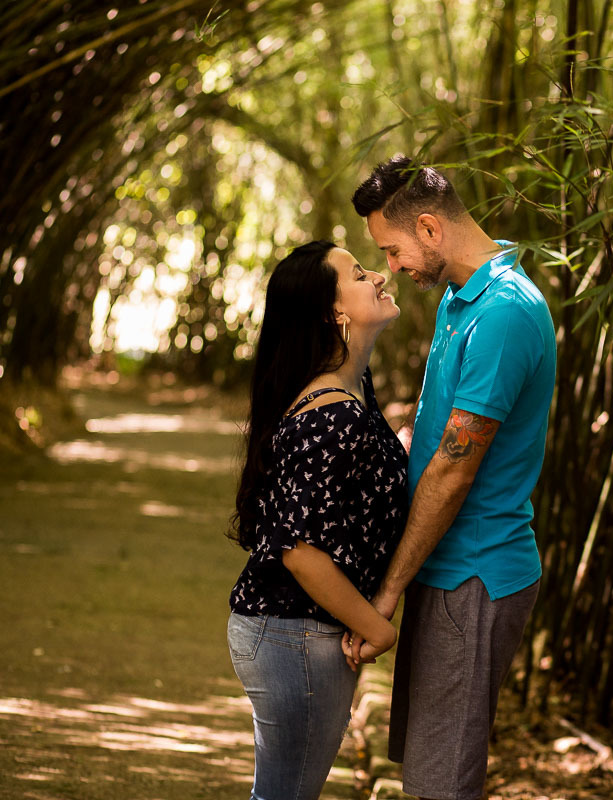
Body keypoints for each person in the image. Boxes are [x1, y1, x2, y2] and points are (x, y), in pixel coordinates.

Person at [347, 157, 557, 799]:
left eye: (392, 249)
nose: (391, 268)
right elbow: (446, 439)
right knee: (426, 772)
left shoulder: (504, 314)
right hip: (445, 568)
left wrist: (385, 594)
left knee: (440, 785)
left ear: (431, 229)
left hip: (473, 574)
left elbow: (453, 473)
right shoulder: (461, 299)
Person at [226, 240, 409, 800]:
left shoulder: (349, 391)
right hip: (294, 635)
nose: (377, 275)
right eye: (358, 273)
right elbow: (299, 549)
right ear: (336, 312)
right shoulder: (332, 414)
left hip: (295, 633)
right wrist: (377, 624)